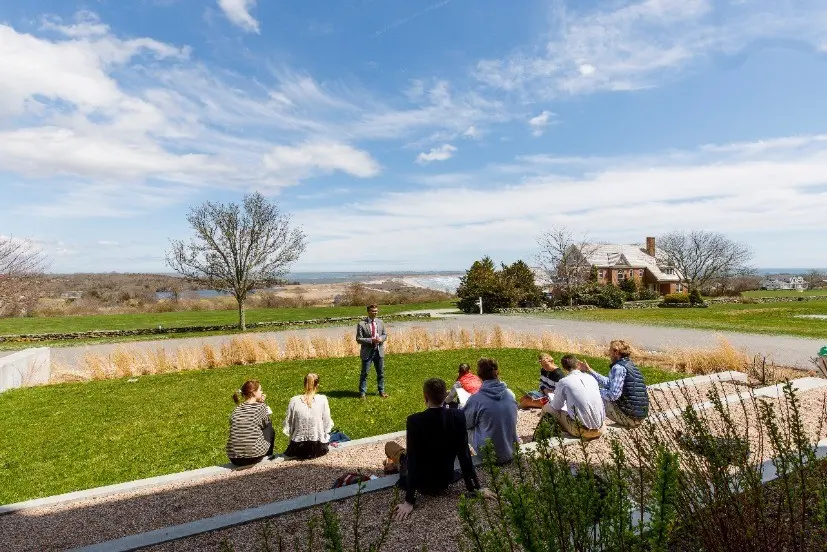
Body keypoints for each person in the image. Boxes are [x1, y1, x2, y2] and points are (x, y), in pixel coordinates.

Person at [389, 378, 485, 521]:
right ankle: (396, 460)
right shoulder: (457, 416)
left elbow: (413, 461)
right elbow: (464, 454)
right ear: (445, 394)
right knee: (403, 455)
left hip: (422, 483)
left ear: (425, 397)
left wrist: (409, 501)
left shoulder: (414, 420)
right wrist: (475, 488)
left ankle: (396, 460)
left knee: (391, 447)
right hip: (446, 479)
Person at [463, 358, 519, 464]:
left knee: (460, 426)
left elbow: (465, 423)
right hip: (511, 449)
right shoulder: (510, 394)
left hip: (489, 454)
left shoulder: (476, 399)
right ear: (497, 372)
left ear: (479, 375)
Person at [582, 340, 649, 428]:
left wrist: (594, 391)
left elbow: (613, 395)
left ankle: (589, 427)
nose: (608, 352)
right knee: (597, 392)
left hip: (629, 418)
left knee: (591, 395)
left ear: (616, 352)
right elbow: (610, 383)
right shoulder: (630, 365)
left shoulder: (619, 367)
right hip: (639, 417)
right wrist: (590, 371)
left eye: (610, 350)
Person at [540, 355, 605, 440]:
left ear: (564, 368)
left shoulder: (564, 382)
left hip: (580, 430)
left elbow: (556, 406)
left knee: (547, 407)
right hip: (601, 428)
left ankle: (543, 438)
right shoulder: (591, 378)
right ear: (578, 364)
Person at [282, 373, 334, 459]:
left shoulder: (294, 400)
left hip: (297, 448)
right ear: (317, 385)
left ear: (304, 384)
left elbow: (289, 424)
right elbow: (327, 424)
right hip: (318, 448)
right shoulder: (322, 399)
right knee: (339, 435)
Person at [226, 380, 275, 466]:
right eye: (260, 390)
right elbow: (265, 424)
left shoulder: (236, 409)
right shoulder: (260, 407)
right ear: (253, 393)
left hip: (234, 458)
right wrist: (261, 403)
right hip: (253, 457)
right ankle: (267, 456)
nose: (262, 392)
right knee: (269, 427)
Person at [356, 304, 388, 399]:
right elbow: (358, 339)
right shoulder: (361, 324)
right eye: (373, 311)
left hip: (379, 351)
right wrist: (371, 340)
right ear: (368, 312)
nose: (375, 313)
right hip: (367, 352)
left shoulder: (381, 322)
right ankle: (362, 393)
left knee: (381, 373)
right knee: (365, 373)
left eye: (376, 311)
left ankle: (381, 391)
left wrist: (381, 339)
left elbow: (385, 335)